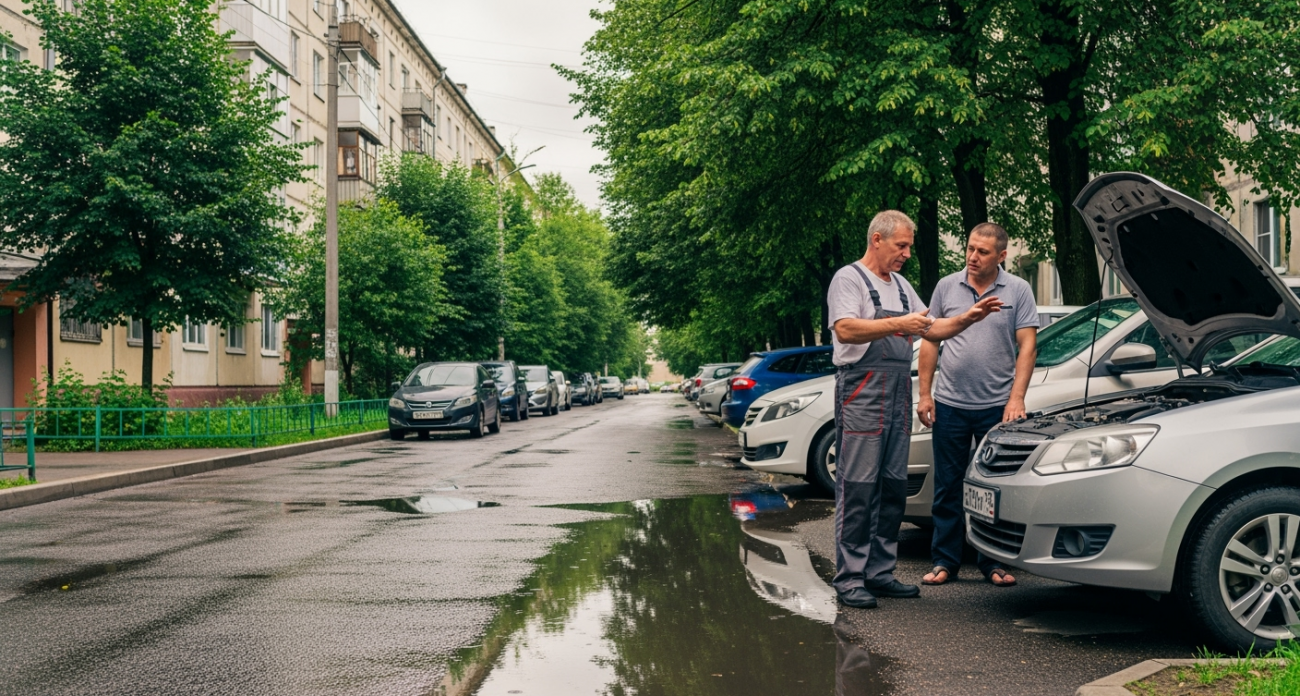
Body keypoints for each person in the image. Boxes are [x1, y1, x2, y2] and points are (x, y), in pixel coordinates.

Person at [828, 210, 1001, 609]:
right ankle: (851, 577)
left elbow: (932, 329)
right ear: (877, 239)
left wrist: (967, 318)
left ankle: (880, 573)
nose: (907, 253)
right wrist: (898, 324)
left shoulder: (903, 286)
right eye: (901, 245)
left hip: (896, 394)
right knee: (858, 487)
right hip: (862, 390)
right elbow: (846, 329)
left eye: (908, 246)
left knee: (891, 488)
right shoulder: (849, 278)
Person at [917, 222, 1038, 588]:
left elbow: (1028, 347)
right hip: (951, 404)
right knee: (948, 486)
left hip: (997, 407)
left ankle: (993, 563)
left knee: (993, 489)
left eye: (982, 252)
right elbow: (929, 341)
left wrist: (1016, 399)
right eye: (970, 248)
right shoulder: (946, 287)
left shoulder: (1018, 289)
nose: (972, 256)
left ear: (1002, 256)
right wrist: (925, 394)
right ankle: (945, 561)